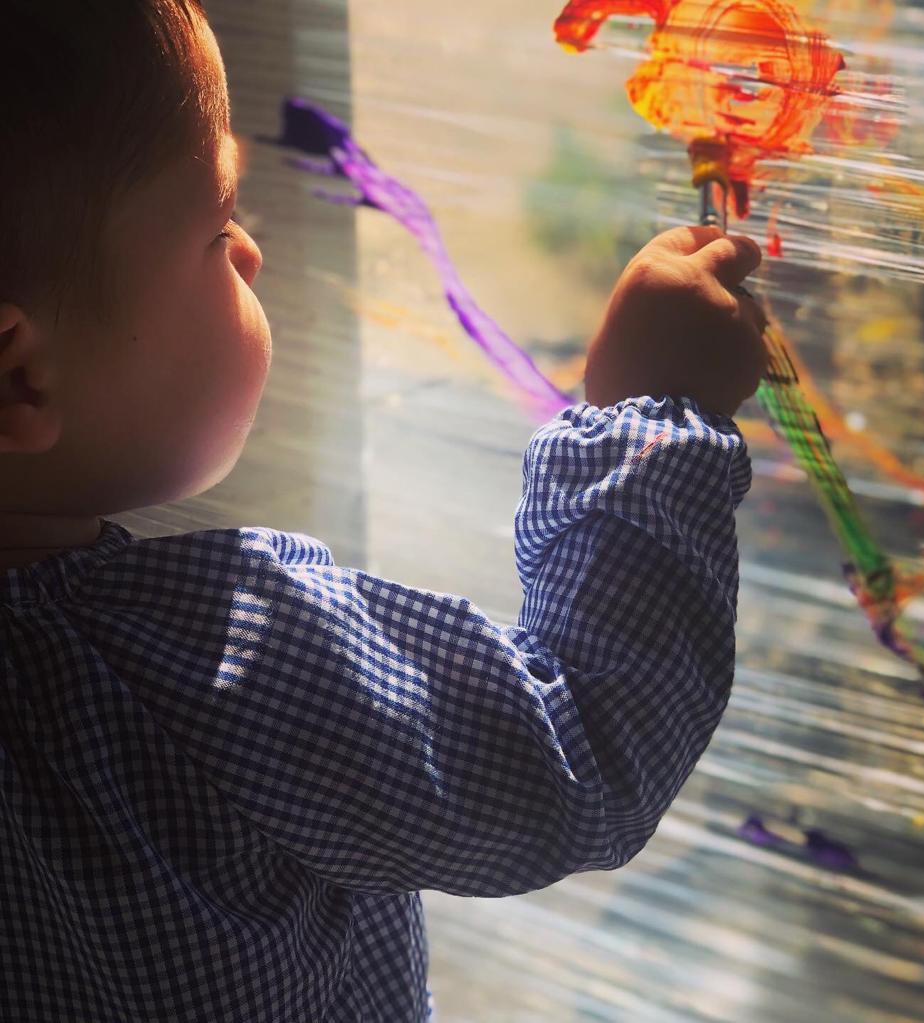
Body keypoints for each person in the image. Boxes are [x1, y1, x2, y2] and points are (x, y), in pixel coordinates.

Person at [0, 2, 768, 1020]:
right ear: (21, 379)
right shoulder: (216, 665)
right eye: (218, 227)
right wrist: (649, 420)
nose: (252, 254)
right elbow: (581, 748)